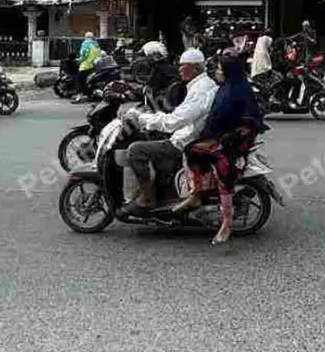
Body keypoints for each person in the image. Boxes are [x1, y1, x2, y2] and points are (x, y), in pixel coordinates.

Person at [116, 48, 218, 218]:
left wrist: (143, 119)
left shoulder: (200, 89)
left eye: (182, 66)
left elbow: (175, 121)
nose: (178, 69)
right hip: (186, 132)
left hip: (185, 140)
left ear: (194, 68)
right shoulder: (200, 84)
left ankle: (145, 198)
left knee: (136, 150)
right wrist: (153, 118)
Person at [181, 50, 268, 244]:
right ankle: (198, 193)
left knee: (223, 170)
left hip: (235, 140)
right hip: (221, 135)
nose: (217, 71)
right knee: (191, 150)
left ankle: (226, 224)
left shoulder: (238, 90)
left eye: (220, 68)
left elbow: (250, 119)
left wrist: (232, 135)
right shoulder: (226, 86)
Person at [74, 31, 101, 103]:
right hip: (93, 66)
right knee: (86, 81)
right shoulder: (96, 45)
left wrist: (79, 60)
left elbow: (84, 55)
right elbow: (99, 55)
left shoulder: (86, 44)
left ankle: (78, 97)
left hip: (85, 66)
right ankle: (89, 95)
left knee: (80, 82)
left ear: (86, 37)